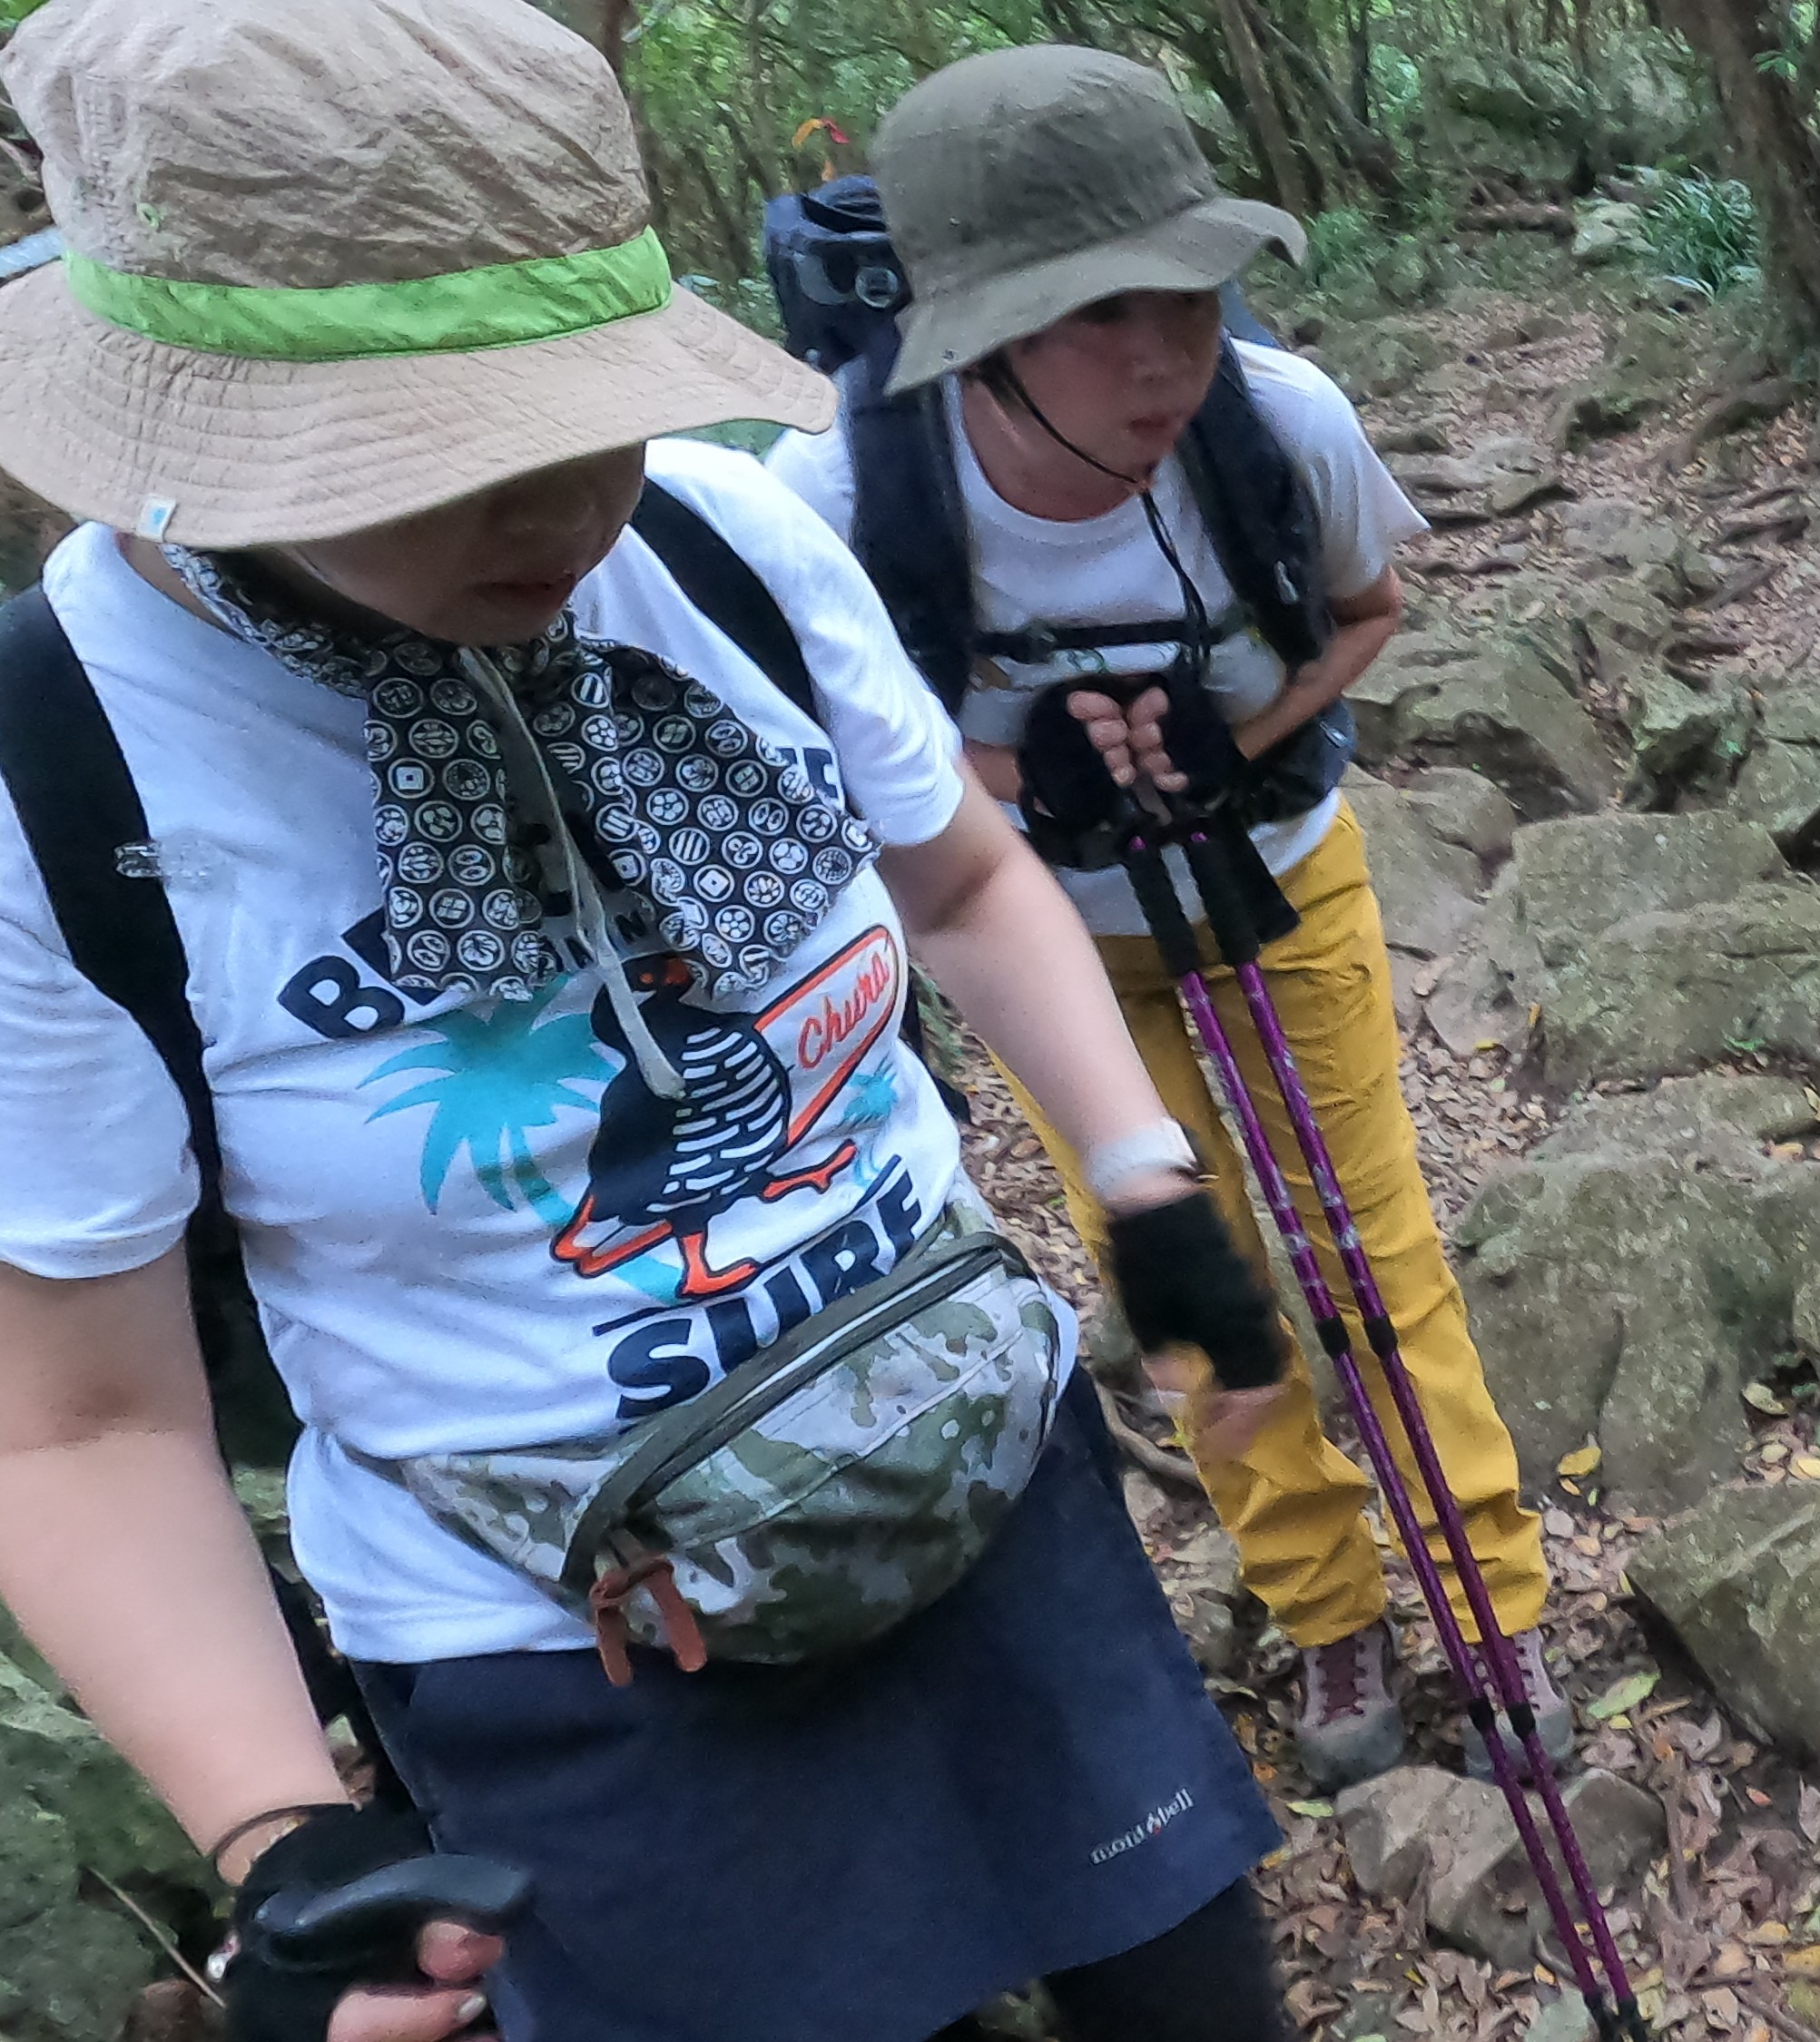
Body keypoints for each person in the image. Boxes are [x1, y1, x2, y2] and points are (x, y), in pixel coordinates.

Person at [0, 3, 1308, 2037]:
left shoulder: (721, 542)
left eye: (593, 416)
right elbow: (83, 1416)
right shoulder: (62, 773)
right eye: (439, 454)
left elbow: (951, 874)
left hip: (971, 1479)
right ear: (203, 423)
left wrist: (1144, 1185)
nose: (560, 515)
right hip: (579, 1651)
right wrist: (283, 1838)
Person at [767, 44, 1566, 1790]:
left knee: (1370, 1249)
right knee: (1202, 1280)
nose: (1164, 352)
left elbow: (1367, 608)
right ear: (970, 323)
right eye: (1097, 312)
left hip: (1284, 884)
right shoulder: (832, 500)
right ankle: (1324, 1605)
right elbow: (843, 774)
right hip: (1055, 956)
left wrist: (1235, 737)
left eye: (1190, 293)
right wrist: (1016, 766)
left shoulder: (1281, 423)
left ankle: (1483, 1599)